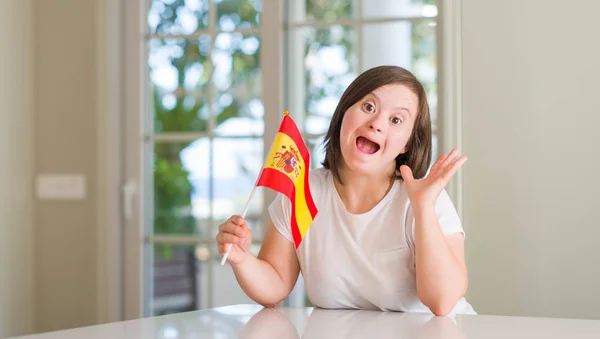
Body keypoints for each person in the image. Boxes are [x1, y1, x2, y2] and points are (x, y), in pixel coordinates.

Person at [216, 65, 476, 316]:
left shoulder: (427, 199)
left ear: (407, 144)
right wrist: (242, 259)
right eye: (368, 106)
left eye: (396, 119)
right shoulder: (302, 192)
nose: (377, 123)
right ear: (343, 113)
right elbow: (275, 285)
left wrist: (423, 208)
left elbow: (442, 302)